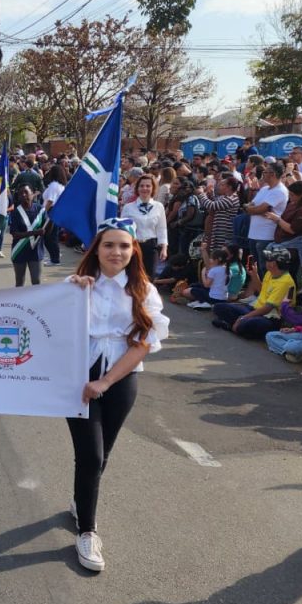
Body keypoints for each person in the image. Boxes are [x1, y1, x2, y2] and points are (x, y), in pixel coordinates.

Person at [65, 218, 170, 572]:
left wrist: (107, 381)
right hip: (79, 378)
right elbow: (49, 325)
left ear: (134, 250)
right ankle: (87, 531)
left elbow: (143, 343)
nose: (117, 252)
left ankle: (82, 499)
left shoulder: (144, 290)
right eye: (109, 245)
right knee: (90, 455)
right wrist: (72, 295)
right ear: (97, 248)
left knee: (104, 451)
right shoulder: (76, 285)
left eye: (124, 246)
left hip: (120, 377)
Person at [211, 248, 295, 340]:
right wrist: (254, 274)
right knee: (218, 307)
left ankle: (232, 325)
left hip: (271, 318)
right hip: (256, 309)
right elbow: (262, 291)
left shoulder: (285, 282)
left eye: (269, 260)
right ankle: (236, 326)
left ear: (274, 264)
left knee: (247, 324)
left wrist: (243, 318)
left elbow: (267, 309)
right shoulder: (270, 273)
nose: (266, 262)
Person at [245, 163, 289, 275]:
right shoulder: (264, 189)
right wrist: (251, 208)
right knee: (254, 267)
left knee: (265, 268)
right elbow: (252, 204)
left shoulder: (280, 191)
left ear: (272, 174)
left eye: (264, 172)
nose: (262, 174)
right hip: (253, 235)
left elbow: (260, 209)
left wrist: (250, 209)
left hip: (266, 237)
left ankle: (264, 290)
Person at [120, 175, 167, 279]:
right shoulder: (128, 207)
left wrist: (164, 248)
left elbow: (162, 228)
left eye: (148, 186)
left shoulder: (159, 207)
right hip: (133, 246)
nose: (144, 188)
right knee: (132, 277)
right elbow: (122, 230)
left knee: (149, 278)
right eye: (141, 186)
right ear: (137, 188)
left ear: (153, 188)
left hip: (151, 246)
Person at [7, 185, 45, 287]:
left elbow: (47, 230)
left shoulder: (40, 209)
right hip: (19, 251)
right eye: (21, 193)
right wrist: (34, 233)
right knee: (20, 282)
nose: (24, 195)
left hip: (35, 251)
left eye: (26, 192)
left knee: (36, 281)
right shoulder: (15, 212)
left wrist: (53, 218)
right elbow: (15, 234)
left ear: (32, 194)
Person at [182, 245, 230, 309]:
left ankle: (206, 303)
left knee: (186, 292)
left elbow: (206, 285)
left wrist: (203, 274)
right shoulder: (228, 269)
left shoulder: (214, 270)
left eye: (212, 258)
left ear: (217, 260)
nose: (210, 260)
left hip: (213, 298)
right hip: (224, 299)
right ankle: (202, 301)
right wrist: (203, 250)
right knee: (195, 285)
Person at [41, 165, 67, 265]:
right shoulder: (60, 185)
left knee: (49, 237)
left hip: (51, 211)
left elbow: (50, 201)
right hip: (55, 212)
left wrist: (44, 212)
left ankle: (55, 259)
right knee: (52, 236)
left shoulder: (54, 185)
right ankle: (54, 257)